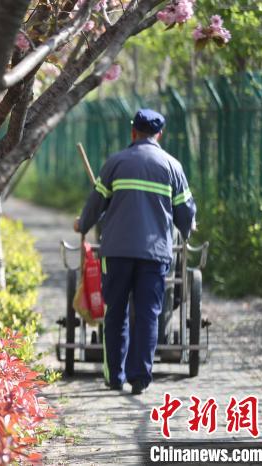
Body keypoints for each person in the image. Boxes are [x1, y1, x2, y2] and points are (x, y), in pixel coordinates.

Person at [74, 109, 196, 395]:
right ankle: (139, 377)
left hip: (116, 252)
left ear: (133, 132)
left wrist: (83, 224)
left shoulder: (115, 163)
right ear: (159, 135)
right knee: (148, 314)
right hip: (155, 254)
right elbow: (185, 214)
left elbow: (95, 205)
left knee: (115, 311)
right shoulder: (172, 166)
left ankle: (114, 376)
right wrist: (189, 228)